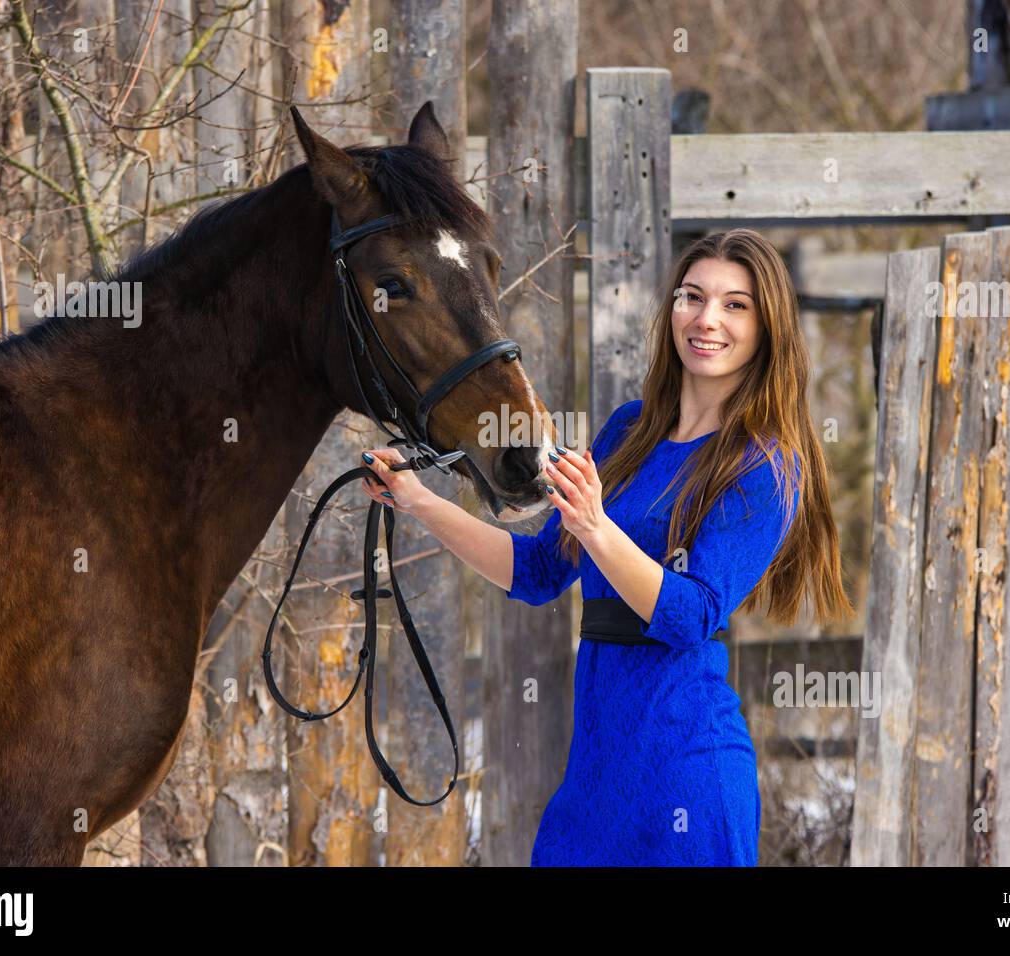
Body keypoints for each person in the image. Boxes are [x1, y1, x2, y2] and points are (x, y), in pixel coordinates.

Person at [357, 228, 852, 866]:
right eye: (692, 297)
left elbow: (689, 615)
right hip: (593, 784)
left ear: (767, 327)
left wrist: (597, 528)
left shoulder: (766, 465)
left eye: (736, 305)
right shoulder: (627, 431)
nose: (707, 319)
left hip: (687, 777)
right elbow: (538, 570)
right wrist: (418, 500)